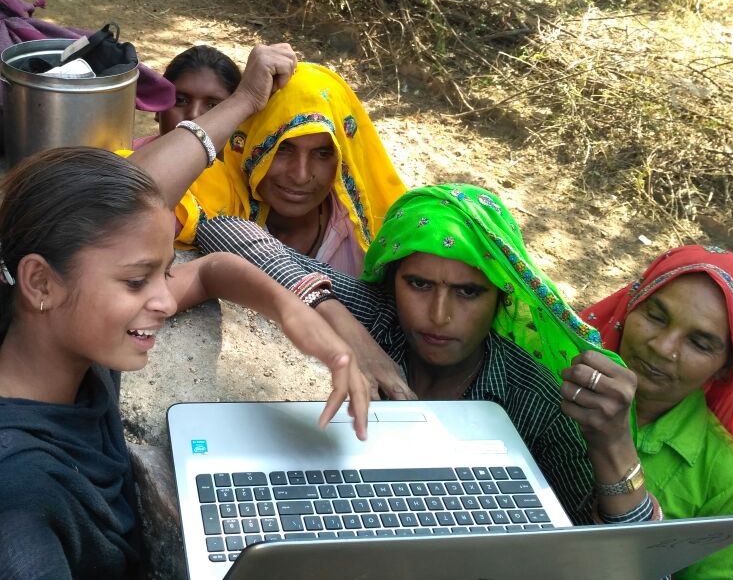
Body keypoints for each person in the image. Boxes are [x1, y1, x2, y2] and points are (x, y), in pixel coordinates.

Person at [0, 147, 368, 579]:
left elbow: (207, 270)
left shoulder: (68, 348)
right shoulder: (12, 501)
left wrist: (292, 312)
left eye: (164, 272)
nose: (164, 300)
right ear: (39, 282)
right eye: (137, 281)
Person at [194, 184, 660, 526]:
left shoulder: (533, 398)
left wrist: (613, 448)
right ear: (392, 278)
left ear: (503, 298)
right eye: (418, 284)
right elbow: (224, 231)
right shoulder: (376, 315)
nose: (439, 315)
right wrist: (342, 325)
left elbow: (609, 552)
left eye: (468, 292)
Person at [566, 245, 733, 579]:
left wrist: (614, 445)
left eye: (699, 343)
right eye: (656, 316)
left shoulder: (727, 480)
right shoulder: (557, 377)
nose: (663, 348)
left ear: (726, 370)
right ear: (629, 307)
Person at [163, 62, 406, 275]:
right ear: (251, 146)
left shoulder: (368, 234)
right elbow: (133, 192)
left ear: (343, 160)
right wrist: (243, 99)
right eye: (282, 148)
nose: (300, 176)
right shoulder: (217, 198)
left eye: (323, 153)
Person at [132, 44, 242, 149]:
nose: (194, 115)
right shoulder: (127, 159)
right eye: (180, 100)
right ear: (158, 109)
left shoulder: (248, 167)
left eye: (213, 106)